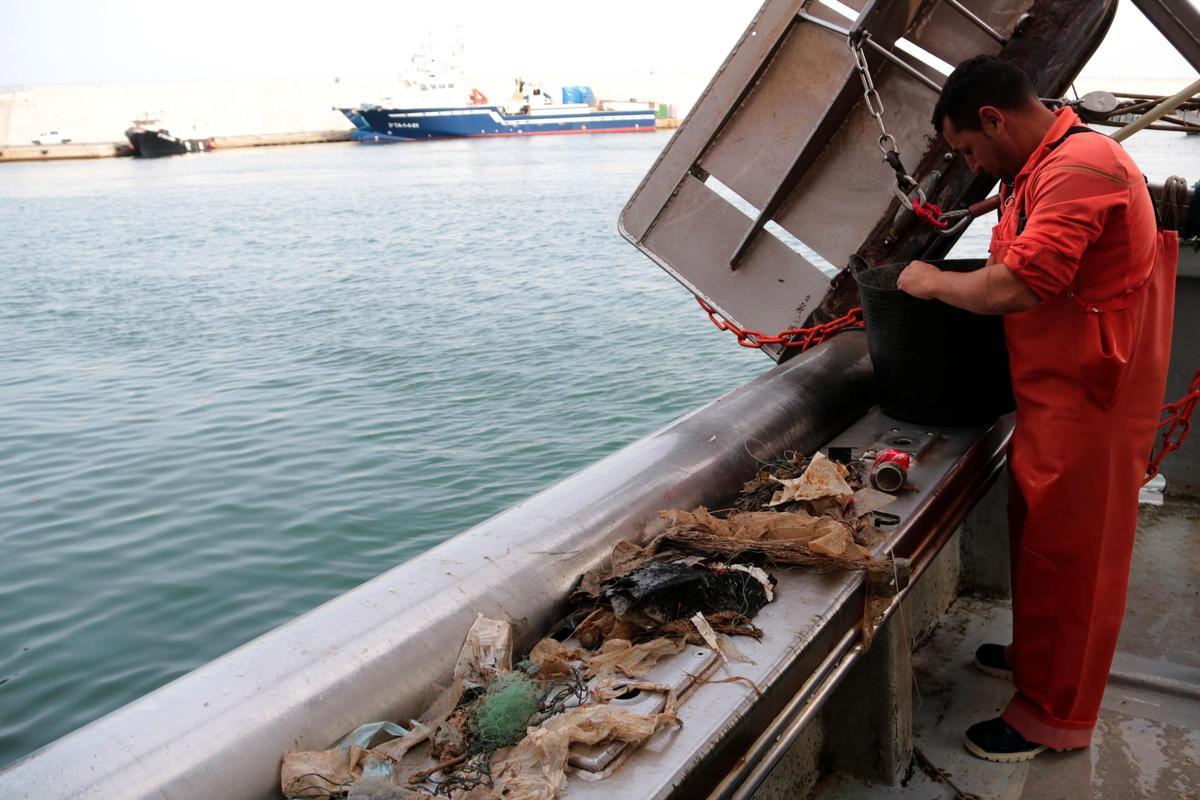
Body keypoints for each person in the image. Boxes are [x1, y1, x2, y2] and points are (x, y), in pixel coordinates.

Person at [898, 55, 1175, 763]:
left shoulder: (1083, 166)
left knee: (1077, 557)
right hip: (1056, 391)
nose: (972, 163)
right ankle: (1038, 659)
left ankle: (1053, 717)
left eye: (967, 149)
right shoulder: (1037, 171)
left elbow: (1018, 284)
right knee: (1041, 538)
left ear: (993, 118)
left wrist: (929, 282)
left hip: (1095, 397)